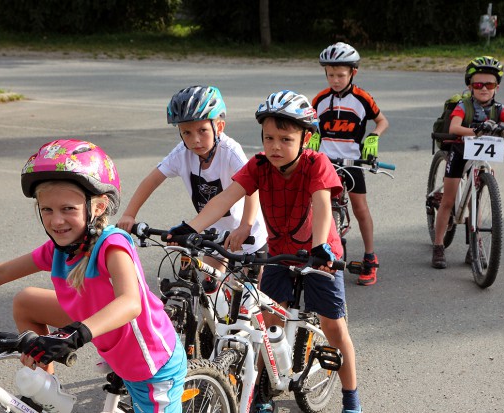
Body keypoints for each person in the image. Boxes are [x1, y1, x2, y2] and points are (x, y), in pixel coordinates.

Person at [0, 139, 187, 413]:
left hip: (149, 364)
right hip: (108, 337)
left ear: (97, 207)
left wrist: (74, 334)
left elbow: (130, 303)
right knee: (27, 301)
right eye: (47, 209)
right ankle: (46, 395)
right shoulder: (59, 249)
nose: (56, 220)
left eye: (68, 209)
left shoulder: (112, 244)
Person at [167, 90, 362, 413]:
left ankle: (351, 398)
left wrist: (320, 248)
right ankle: (262, 392)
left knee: (334, 326)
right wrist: (192, 227)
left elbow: (322, 204)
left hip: (320, 255)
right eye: (268, 137)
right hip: (278, 255)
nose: (274, 146)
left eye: (285, 139)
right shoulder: (259, 165)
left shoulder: (317, 164)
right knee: (266, 321)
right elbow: (225, 198)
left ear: (306, 140)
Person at [117, 85, 268, 273]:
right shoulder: (182, 152)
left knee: (253, 295)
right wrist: (130, 214)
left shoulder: (230, 151)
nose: (195, 139)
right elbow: (152, 180)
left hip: (248, 235)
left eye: (202, 130)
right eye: (187, 132)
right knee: (208, 288)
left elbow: (251, 188)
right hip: (213, 234)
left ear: (219, 127)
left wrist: (246, 225)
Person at [432, 56, 504, 268]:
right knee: (448, 200)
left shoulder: (499, 108)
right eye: (478, 84)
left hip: (482, 154)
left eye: (489, 84)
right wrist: (474, 130)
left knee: (477, 198)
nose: (484, 89)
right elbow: (455, 127)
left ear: (497, 87)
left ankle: (474, 245)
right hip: (460, 150)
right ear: (470, 86)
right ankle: (438, 245)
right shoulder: (464, 105)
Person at [309, 42, 389, 286]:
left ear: (353, 72)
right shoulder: (320, 99)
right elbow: (309, 125)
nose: (335, 80)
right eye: (330, 74)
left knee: (360, 208)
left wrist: (374, 135)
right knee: (314, 207)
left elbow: (382, 121)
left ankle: (370, 256)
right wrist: (311, 135)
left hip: (352, 160)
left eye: (340, 75)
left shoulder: (363, 99)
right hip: (325, 161)